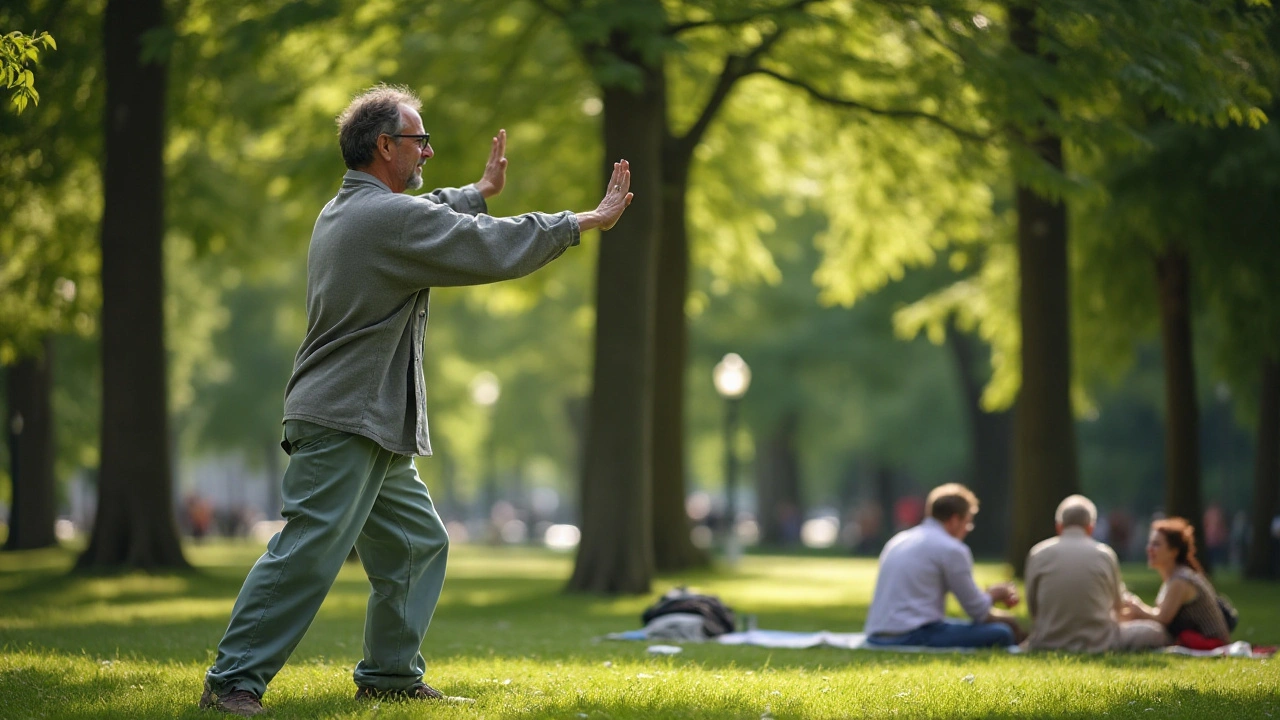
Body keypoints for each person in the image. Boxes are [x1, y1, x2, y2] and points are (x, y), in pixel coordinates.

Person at [199, 84, 633, 717]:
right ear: (383, 146)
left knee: (415, 542)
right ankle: (231, 680)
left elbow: (430, 213)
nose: (427, 151)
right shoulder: (384, 220)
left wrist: (477, 194)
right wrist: (582, 223)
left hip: (370, 420)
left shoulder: (351, 210)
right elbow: (481, 244)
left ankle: (389, 676)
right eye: (418, 140)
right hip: (343, 416)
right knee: (309, 551)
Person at [864, 483, 1024, 648]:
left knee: (961, 626)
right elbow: (977, 611)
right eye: (968, 522)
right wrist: (995, 596)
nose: (968, 529)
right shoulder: (952, 548)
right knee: (1001, 632)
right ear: (955, 520)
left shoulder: (899, 540)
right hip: (912, 634)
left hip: (877, 635)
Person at [1024, 495, 1168, 652]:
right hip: (1099, 641)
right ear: (1091, 528)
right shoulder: (1105, 554)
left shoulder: (1037, 553)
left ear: (1059, 526)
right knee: (1155, 632)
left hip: (1048, 641)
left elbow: (1033, 609)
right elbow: (1118, 607)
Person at [1121, 517, 1231, 647]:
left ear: (1173, 552)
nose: (1149, 549)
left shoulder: (1180, 580)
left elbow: (1163, 619)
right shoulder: (1173, 578)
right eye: (1150, 543)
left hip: (1210, 643)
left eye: (1156, 544)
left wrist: (1138, 609)